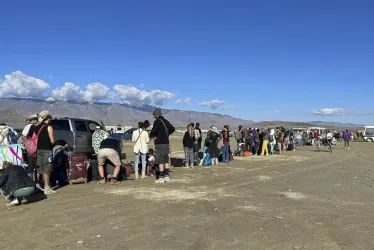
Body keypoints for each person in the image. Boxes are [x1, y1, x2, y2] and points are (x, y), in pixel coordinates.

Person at [150, 108, 175, 184]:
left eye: (153, 114)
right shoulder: (165, 121)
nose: (153, 115)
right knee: (165, 160)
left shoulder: (157, 121)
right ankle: (167, 176)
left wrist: (152, 135)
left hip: (160, 143)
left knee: (160, 160)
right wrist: (166, 135)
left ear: (156, 114)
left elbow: (153, 131)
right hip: (166, 143)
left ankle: (161, 177)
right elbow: (172, 129)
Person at [35, 111, 57, 195]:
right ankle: (47, 187)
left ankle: (37, 185)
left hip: (38, 149)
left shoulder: (37, 127)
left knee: (39, 167)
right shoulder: (49, 127)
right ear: (48, 118)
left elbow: (34, 137)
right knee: (47, 167)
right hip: (47, 150)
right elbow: (52, 141)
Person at [21, 114, 39, 180]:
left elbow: (23, 136)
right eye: (36, 119)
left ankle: (29, 180)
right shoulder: (33, 127)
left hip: (27, 147)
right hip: (33, 147)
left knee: (30, 164)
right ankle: (35, 181)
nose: (37, 120)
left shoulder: (27, 126)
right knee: (35, 164)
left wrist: (26, 144)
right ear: (33, 120)